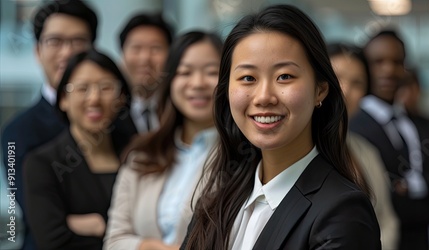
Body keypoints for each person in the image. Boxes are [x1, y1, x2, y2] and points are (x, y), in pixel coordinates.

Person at [182, 5, 381, 250]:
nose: (264, 96)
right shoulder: (215, 202)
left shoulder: (342, 211)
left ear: (320, 89)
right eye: (248, 78)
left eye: (284, 76)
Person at [350, 30, 429, 250]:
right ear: (364, 67)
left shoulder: (425, 125)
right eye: (378, 62)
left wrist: (417, 185)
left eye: (397, 62)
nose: (388, 69)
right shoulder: (353, 130)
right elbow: (384, 204)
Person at [104, 31, 222, 250]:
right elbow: (113, 241)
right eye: (185, 72)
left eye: (211, 72)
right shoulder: (142, 153)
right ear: (170, 81)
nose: (197, 83)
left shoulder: (243, 157)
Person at [0, 1, 98, 249]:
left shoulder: (118, 122)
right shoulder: (16, 133)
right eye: (55, 41)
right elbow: (33, 213)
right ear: (37, 51)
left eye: (78, 41)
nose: (67, 53)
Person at [23, 49, 133, 250]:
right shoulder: (42, 164)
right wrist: (124, 237)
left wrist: (98, 225)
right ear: (63, 99)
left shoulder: (139, 155)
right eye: (82, 88)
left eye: (106, 87)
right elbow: (53, 242)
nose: (94, 99)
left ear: (121, 98)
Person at [328, 42, 399, 250]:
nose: (346, 90)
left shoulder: (367, 152)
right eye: (337, 77)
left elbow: (387, 220)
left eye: (357, 83)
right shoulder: (293, 149)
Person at [119, 13, 174, 133]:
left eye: (155, 48)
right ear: (122, 54)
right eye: (136, 48)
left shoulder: (179, 106)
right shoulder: (112, 110)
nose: (145, 58)